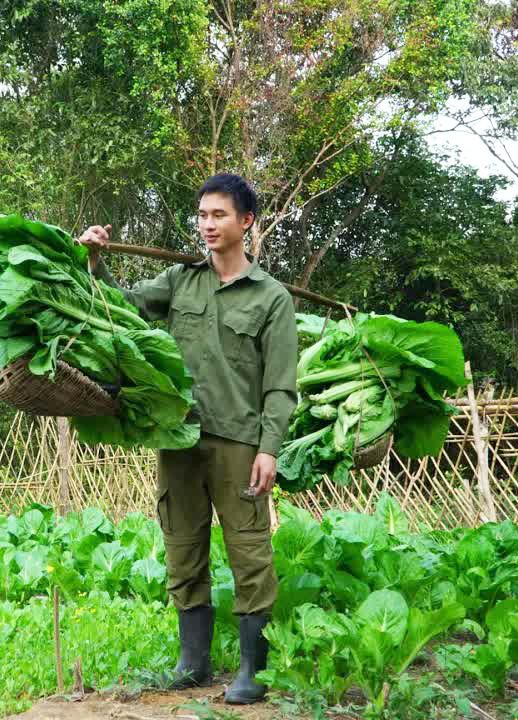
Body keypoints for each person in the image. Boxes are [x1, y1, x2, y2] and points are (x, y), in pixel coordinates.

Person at [76, 174, 298, 704]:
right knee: (181, 544)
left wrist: (269, 448)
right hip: (178, 435)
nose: (206, 224)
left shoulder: (271, 298)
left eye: (218, 215)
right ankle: (193, 662)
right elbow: (123, 305)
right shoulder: (180, 281)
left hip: (239, 442)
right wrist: (94, 261)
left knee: (249, 550)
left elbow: (281, 385)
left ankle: (252, 668)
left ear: (246, 222)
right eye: (201, 215)